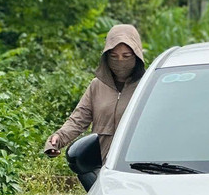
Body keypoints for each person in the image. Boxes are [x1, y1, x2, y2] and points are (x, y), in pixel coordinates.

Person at [44, 24, 146, 162]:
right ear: (106, 56)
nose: (120, 61)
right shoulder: (97, 86)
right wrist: (58, 138)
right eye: (114, 56)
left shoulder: (146, 86)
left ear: (137, 56)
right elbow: (78, 120)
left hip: (137, 166)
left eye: (126, 56)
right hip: (101, 168)